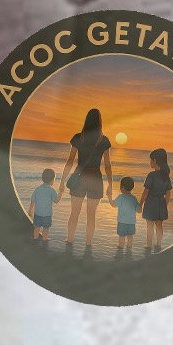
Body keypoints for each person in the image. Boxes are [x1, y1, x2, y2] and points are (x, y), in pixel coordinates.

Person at [59, 107, 112, 254]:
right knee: (91, 216)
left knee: (74, 213)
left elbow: (70, 160)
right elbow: (107, 165)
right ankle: (88, 244)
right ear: (100, 122)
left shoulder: (78, 137)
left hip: (80, 178)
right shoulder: (104, 140)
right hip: (96, 179)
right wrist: (111, 185)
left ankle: (70, 240)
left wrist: (62, 180)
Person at [141, 148, 171, 253]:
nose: (150, 162)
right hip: (161, 203)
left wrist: (140, 205)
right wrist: (165, 204)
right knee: (159, 226)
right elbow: (168, 193)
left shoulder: (151, 175)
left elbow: (146, 192)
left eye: (150, 160)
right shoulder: (166, 176)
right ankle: (158, 244)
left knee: (149, 225)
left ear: (155, 160)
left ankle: (149, 245)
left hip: (151, 202)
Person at [28, 169, 60, 243]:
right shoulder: (52, 190)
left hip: (37, 214)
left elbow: (32, 201)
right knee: (46, 228)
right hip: (47, 215)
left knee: (37, 227)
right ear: (52, 180)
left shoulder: (37, 189)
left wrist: (30, 211)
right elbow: (56, 201)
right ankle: (44, 239)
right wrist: (60, 194)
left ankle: (35, 238)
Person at [112, 177, 140, 257]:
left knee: (122, 236)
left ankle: (120, 249)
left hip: (122, 222)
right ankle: (129, 250)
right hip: (131, 222)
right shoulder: (134, 198)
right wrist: (141, 203)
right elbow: (139, 210)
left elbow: (113, 205)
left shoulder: (121, 197)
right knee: (130, 236)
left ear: (123, 187)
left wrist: (109, 197)